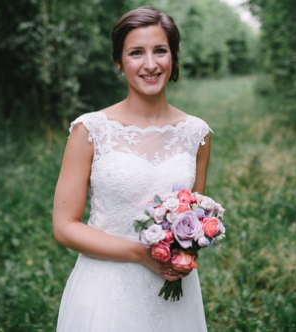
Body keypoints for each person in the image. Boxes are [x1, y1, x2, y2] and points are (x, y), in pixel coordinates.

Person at [53, 6, 210, 331]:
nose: (150, 64)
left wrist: (184, 254)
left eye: (160, 51)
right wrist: (140, 254)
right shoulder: (90, 130)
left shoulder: (197, 134)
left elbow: (192, 219)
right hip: (105, 289)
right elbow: (64, 226)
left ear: (174, 58)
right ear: (119, 62)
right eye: (136, 52)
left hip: (173, 293)